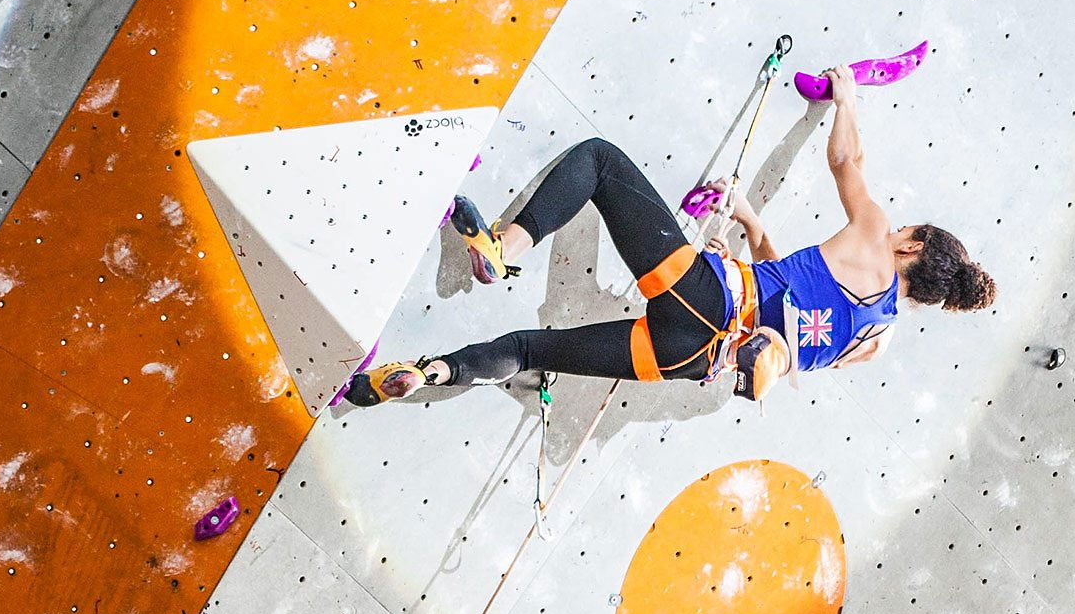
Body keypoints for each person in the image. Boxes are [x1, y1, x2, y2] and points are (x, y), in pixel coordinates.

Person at [344, 65, 996, 407]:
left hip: (707, 295)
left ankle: (502, 251)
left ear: (912, 246)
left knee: (599, 159)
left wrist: (848, 101)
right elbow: (798, 291)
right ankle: (431, 371)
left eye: (905, 228)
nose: (894, 226)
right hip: (691, 358)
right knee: (526, 348)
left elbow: (846, 163)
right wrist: (750, 220)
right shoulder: (875, 341)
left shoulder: (877, 237)